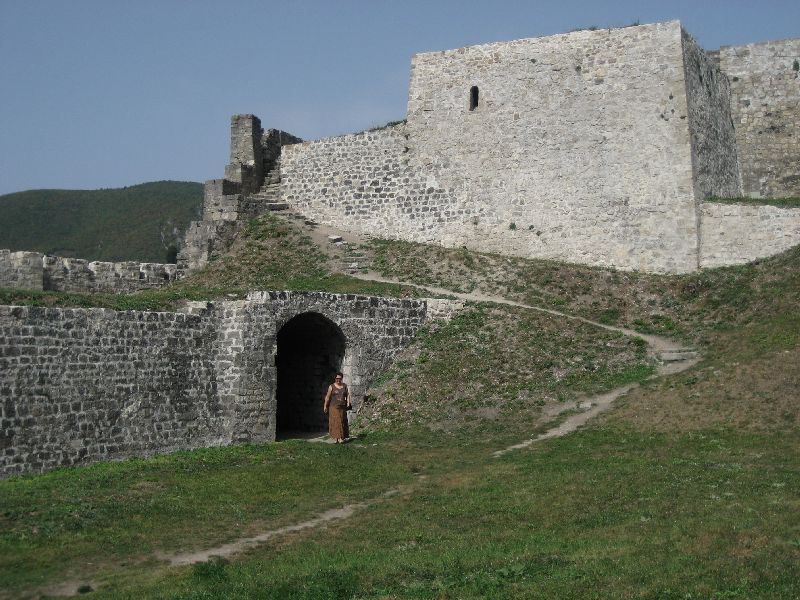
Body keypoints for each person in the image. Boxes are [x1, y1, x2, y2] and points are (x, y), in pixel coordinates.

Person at [323, 372, 351, 443]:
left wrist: (348, 402)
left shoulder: (344, 386)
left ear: (342, 379)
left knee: (342, 421)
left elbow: (347, 395)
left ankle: (338, 438)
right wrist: (325, 406)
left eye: (340, 378)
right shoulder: (331, 386)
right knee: (337, 421)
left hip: (342, 407)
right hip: (333, 407)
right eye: (337, 378)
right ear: (335, 379)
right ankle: (339, 438)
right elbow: (327, 397)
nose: (338, 380)